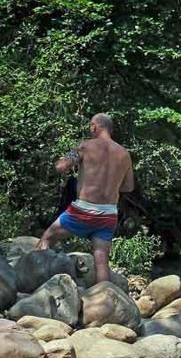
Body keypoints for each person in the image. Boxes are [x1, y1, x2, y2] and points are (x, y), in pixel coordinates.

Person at [36, 113, 135, 282]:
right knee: (101, 261)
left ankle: (37, 283)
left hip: (83, 210)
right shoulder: (124, 154)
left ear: (95, 126)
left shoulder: (85, 146)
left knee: (46, 239)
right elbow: (128, 187)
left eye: (91, 126)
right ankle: (105, 297)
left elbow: (61, 167)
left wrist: (63, 159)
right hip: (109, 214)